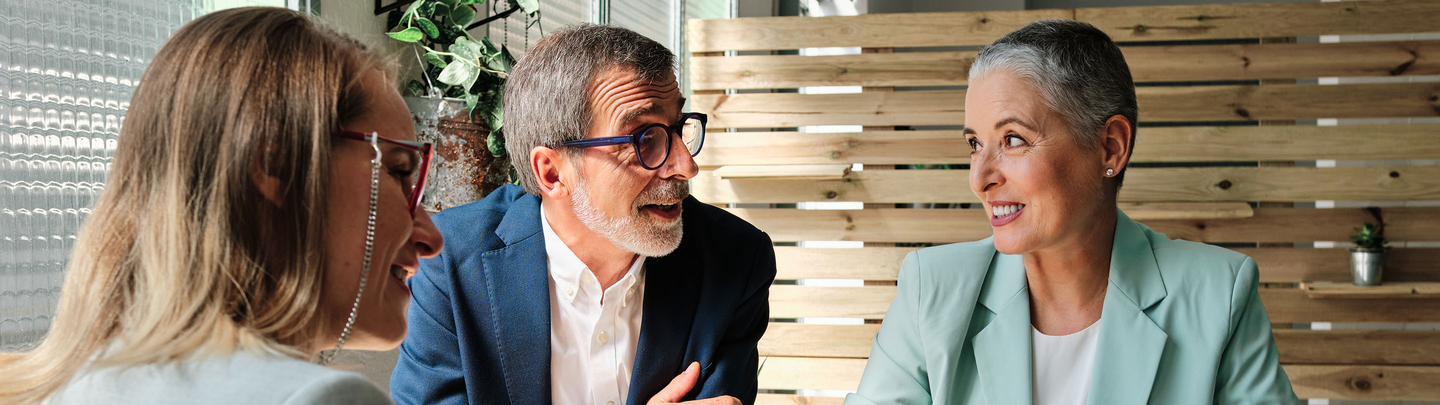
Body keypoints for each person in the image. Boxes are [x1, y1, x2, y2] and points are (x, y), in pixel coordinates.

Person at [0, 7, 443, 404]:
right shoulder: (318, 398)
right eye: (401, 171)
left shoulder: (67, 387)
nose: (432, 239)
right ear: (277, 162)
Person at [845, 20, 1298, 405]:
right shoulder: (932, 290)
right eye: (974, 145)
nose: (979, 177)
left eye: (1014, 140)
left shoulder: (1219, 295)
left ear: (1110, 147)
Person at [388, 24, 776, 405]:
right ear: (552, 173)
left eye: (678, 130)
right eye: (645, 138)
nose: (685, 166)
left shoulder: (737, 260)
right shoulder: (448, 261)